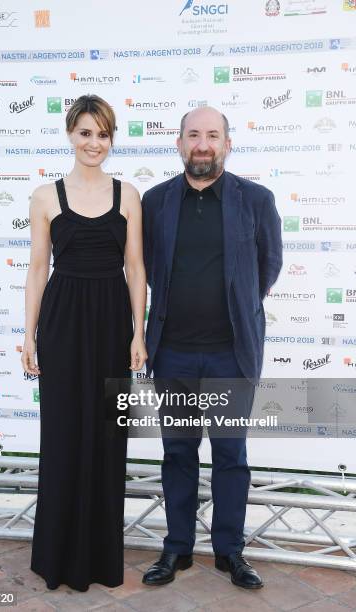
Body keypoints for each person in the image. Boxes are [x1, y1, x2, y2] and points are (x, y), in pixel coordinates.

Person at [141, 106, 282, 589]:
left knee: (230, 455)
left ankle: (230, 552)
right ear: (179, 143)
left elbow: (268, 266)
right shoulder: (155, 202)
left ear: (227, 143)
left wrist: (239, 307)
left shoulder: (256, 200)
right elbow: (144, 268)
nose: (203, 144)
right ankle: (176, 549)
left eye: (213, 135)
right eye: (194, 135)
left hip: (230, 354)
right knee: (177, 453)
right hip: (172, 353)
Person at [21, 94, 147, 592]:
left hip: (112, 320)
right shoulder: (44, 196)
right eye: (85, 132)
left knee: (107, 437)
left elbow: (135, 269)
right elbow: (36, 269)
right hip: (64, 319)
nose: (94, 142)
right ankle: (57, 557)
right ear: (70, 134)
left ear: (111, 139)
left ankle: (98, 557)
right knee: (63, 434)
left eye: (103, 134)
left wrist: (138, 332)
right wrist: (27, 335)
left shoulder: (129, 194)